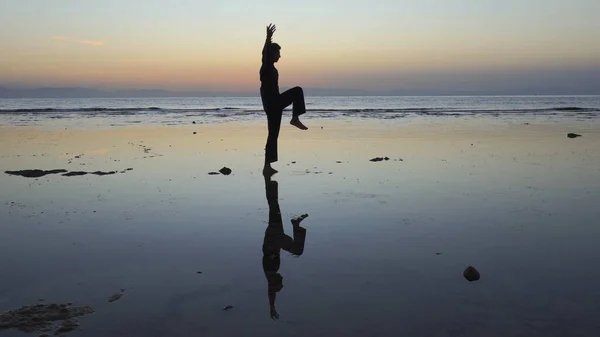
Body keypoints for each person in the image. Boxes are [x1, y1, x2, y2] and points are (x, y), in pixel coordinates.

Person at [260, 23, 308, 176]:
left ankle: (267, 166)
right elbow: (265, 55)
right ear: (272, 53)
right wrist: (267, 39)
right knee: (298, 91)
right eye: (278, 53)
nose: (280, 56)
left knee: (273, 135)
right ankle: (295, 118)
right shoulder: (266, 67)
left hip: (273, 104)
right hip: (273, 102)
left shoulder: (272, 69)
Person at [262, 175, 308, 320]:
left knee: (273, 206)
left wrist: (272, 306)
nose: (282, 277)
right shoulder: (273, 272)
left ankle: (268, 180)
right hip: (276, 237)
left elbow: (271, 291)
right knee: (274, 206)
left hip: (274, 238)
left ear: (275, 282)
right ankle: (270, 181)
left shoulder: (270, 273)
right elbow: (272, 290)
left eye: (280, 280)